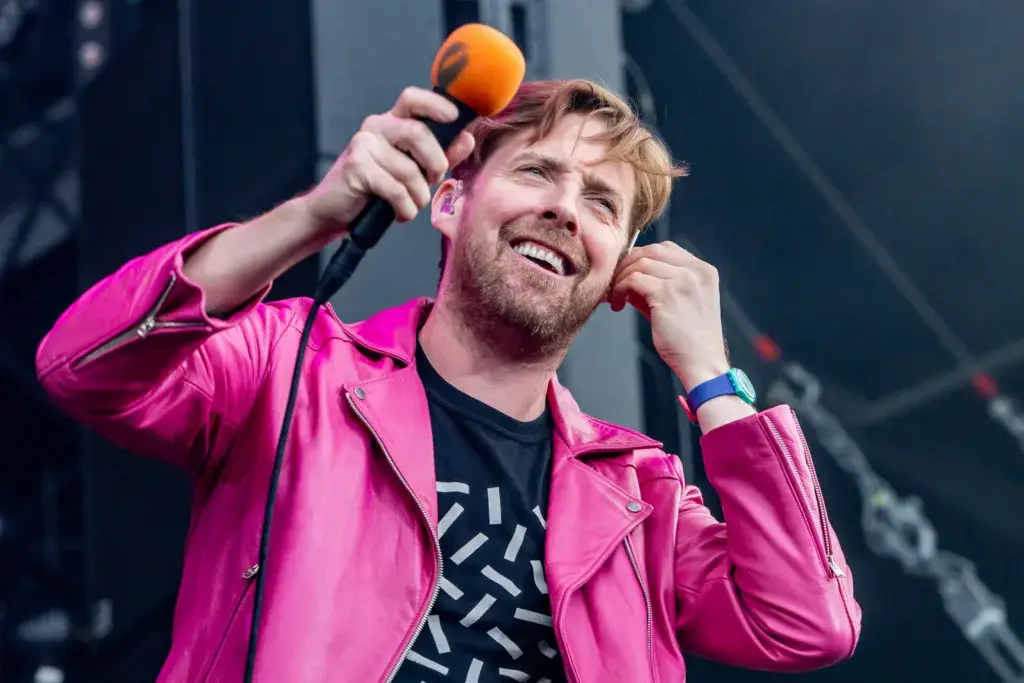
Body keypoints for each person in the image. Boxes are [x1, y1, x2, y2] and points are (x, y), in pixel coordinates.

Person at [37, 79, 861, 682]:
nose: (567, 209)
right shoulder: (294, 368)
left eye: (603, 204)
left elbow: (805, 623)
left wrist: (712, 382)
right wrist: (317, 216)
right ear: (447, 200)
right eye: (537, 172)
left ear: (619, 273)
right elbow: (84, 364)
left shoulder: (637, 492)